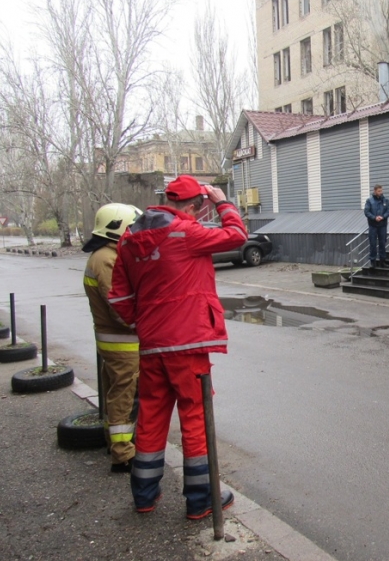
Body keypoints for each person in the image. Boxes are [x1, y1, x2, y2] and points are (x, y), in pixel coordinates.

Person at [109, 175, 247, 519]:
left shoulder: (128, 241)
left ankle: (143, 495)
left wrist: (144, 325)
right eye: (199, 208)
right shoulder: (186, 234)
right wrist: (223, 202)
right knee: (195, 417)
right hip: (188, 345)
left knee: (152, 418)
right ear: (192, 206)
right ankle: (201, 499)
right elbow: (237, 235)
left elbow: (121, 298)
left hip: (152, 345)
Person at [82, 203, 142, 473]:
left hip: (114, 340)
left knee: (115, 391)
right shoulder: (106, 258)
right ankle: (123, 454)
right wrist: (143, 323)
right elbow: (118, 305)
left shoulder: (103, 254)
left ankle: (115, 443)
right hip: (122, 341)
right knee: (123, 394)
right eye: (131, 226)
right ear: (117, 227)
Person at [364, 184, 389, 268]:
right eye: (379, 191)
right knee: (373, 243)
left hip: (382, 225)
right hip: (373, 225)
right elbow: (366, 212)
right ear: (375, 191)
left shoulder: (385, 200)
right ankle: (373, 262)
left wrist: (383, 217)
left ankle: (382, 260)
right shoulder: (369, 200)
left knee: (382, 243)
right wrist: (374, 217)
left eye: (381, 191)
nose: (381, 192)